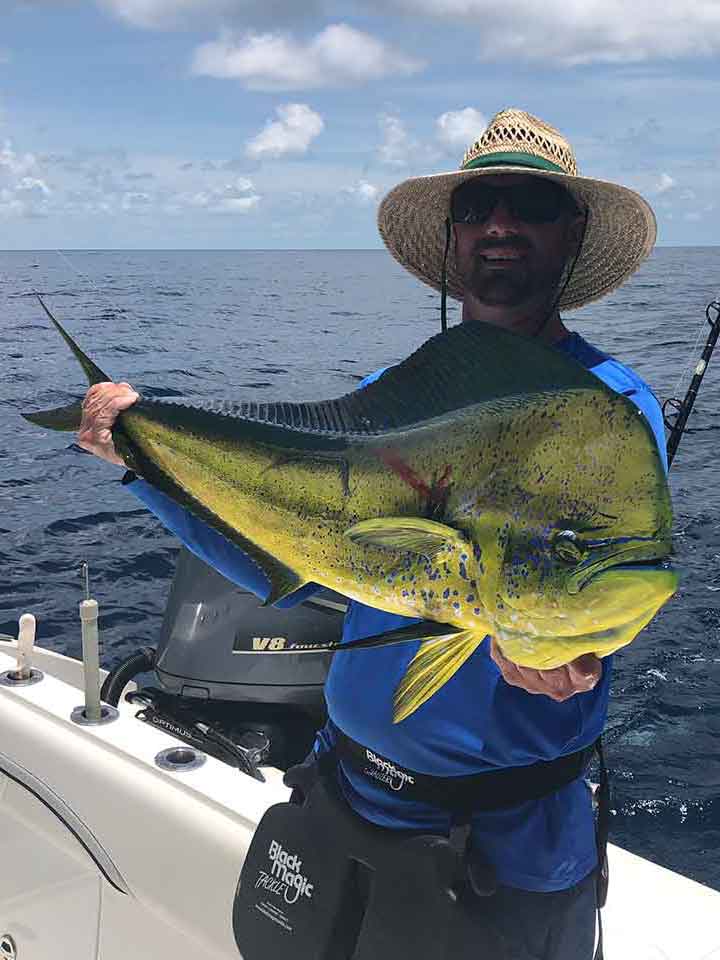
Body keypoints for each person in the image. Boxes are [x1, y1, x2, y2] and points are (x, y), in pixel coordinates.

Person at [76, 109, 667, 959]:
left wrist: (575, 665)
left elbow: (596, 599)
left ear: (571, 233)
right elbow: (299, 568)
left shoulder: (605, 410)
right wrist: (140, 461)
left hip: (503, 853)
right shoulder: (391, 394)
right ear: (455, 235)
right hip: (343, 801)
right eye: (480, 203)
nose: (501, 223)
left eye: (531, 204)